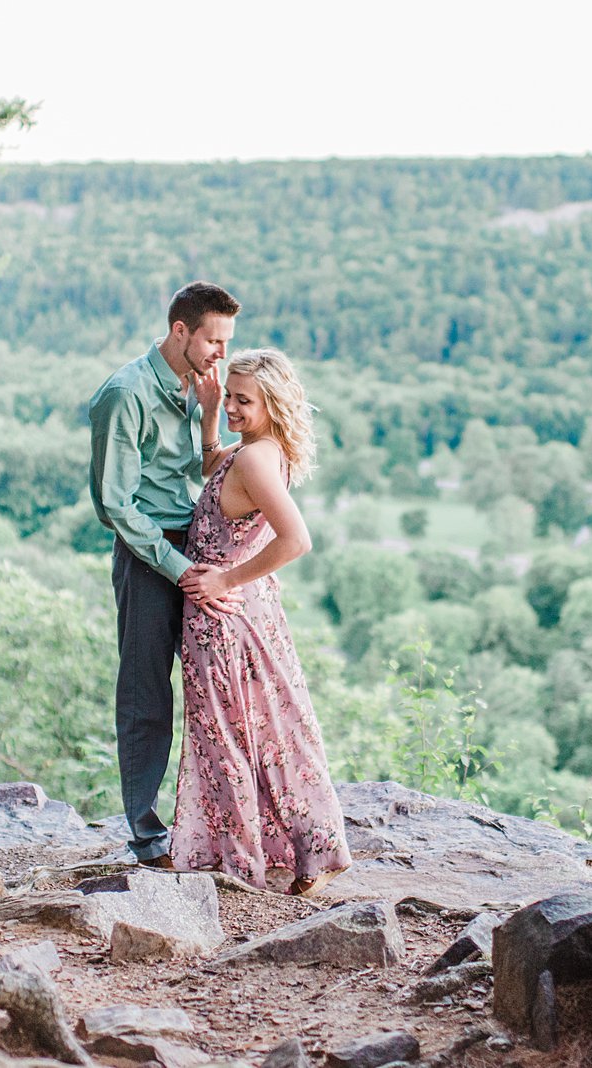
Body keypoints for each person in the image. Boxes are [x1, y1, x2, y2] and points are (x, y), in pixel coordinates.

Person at [172, 348, 352, 895]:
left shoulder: (254, 458)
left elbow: (297, 540)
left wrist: (225, 579)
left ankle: (238, 860)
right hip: (249, 613)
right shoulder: (258, 451)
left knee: (223, 735)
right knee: (271, 729)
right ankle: (304, 850)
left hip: (223, 616)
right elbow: (212, 468)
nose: (231, 406)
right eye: (229, 394)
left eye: (242, 400)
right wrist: (207, 414)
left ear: (272, 404)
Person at [88, 281, 244, 869]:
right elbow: (115, 506)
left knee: (220, 687)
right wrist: (181, 570)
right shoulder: (124, 395)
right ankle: (147, 832)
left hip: (202, 550)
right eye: (214, 340)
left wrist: (210, 416)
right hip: (152, 559)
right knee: (147, 692)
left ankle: (216, 822)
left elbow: (205, 473)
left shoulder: (198, 388)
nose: (220, 355)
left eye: (227, 342)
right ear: (181, 331)